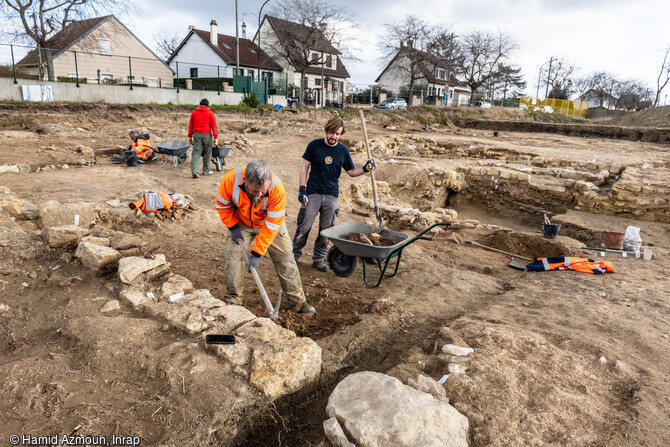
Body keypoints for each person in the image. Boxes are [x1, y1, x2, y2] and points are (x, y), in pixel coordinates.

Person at [215, 159, 316, 314]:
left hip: (268, 223)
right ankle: (233, 300)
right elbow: (223, 205)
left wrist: (256, 254)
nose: (260, 194)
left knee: (285, 258)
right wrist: (233, 227)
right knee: (233, 258)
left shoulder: (277, 189)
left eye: (263, 191)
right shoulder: (230, 180)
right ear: (245, 182)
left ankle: (298, 302)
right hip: (241, 221)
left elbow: (272, 226)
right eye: (255, 191)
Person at [292, 116, 375, 271]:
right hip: (312, 194)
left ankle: (318, 259)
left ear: (341, 134)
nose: (334, 137)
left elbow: (351, 171)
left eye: (337, 134)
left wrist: (365, 169)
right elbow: (304, 168)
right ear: (327, 131)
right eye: (331, 133)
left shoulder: (343, 150)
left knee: (327, 231)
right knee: (304, 227)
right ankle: (294, 257)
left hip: (331, 196)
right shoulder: (314, 146)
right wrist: (302, 189)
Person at [188, 98, 218, 178]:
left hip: (197, 135)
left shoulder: (194, 113)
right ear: (207, 105)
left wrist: (189, 136)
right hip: (207, 135)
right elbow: (214, 126)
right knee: (208, 152)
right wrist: (216, 137)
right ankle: (206, 171)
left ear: (200, 104)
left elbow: (191, 125)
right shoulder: (210, 113)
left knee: (196, 152)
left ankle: (195, 171)